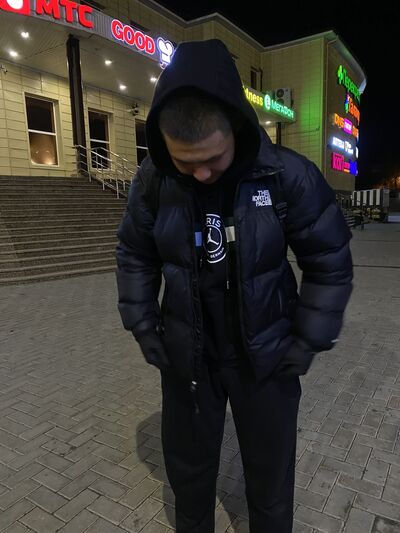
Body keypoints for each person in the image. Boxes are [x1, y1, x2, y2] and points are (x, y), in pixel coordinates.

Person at [115, 39, 353, 533]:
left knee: (270, 482)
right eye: (185, 162)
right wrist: (143, 323)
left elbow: (329, 260)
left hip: (265, 360)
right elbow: (135, 253)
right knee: (189, 479)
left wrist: (307, 337)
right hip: (189, 360)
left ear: (237, 129)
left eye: (213, 159)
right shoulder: (153, 180)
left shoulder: (287, 175)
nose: (201, 173)